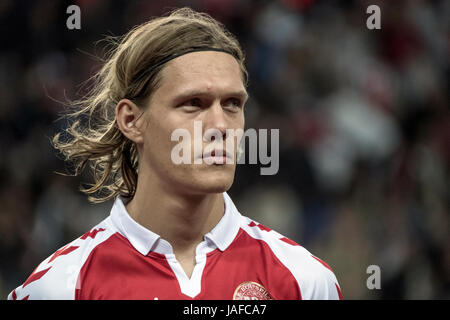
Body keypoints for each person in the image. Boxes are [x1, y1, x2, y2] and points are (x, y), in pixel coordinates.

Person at [8, 7, 342, 300]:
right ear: (131, 120)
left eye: (232, 104)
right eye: (193, 104)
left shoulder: (305, 282)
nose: (219, 126)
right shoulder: (60, 288)